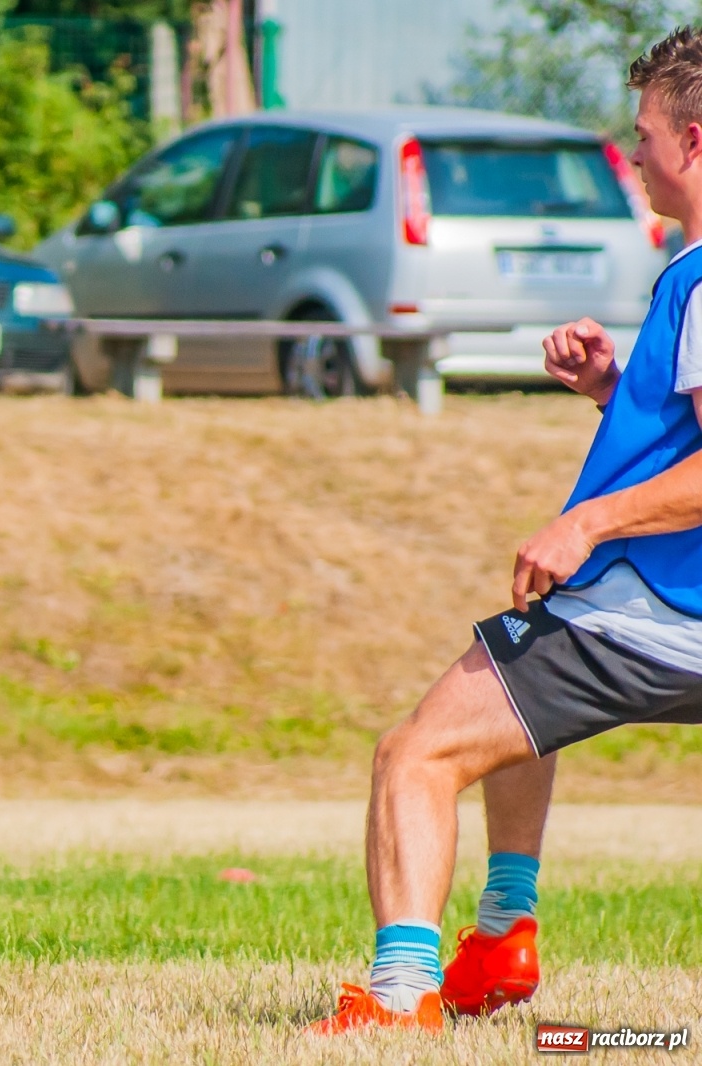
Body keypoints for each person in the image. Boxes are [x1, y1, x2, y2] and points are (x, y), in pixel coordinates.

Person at [310, 26, 702, 1034]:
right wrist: (615, 389)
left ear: (693, 141)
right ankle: (500, 937)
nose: (635, 154)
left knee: (415, 756)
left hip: (651, 615)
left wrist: (586, 524)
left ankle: (401, 994)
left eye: (643, 134)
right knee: (518, 688)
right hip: (669, 616)